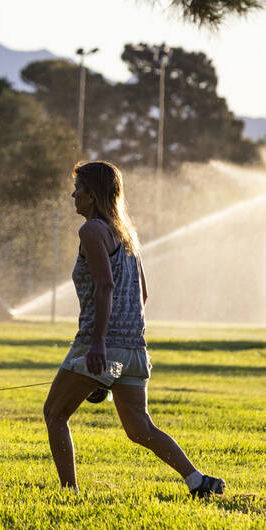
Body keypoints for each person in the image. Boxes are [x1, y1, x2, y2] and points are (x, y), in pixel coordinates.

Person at [43, 160, 226, 498]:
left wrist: (98, 346)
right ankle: (198, 481)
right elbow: (143, 294)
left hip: (99, 344)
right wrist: (112, 367)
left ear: (93, 196)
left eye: (78, 190)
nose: (73, 196)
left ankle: (69, 493)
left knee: (54, 414)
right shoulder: (126, 234)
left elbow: (105, 286)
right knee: (140, 428)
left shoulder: (92, 231)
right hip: (134, 348)